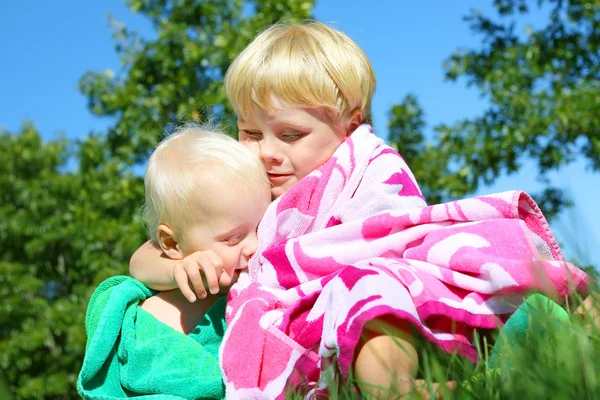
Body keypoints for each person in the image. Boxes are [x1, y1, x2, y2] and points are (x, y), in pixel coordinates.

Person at [130, 22, 590, 399]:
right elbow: (146, 258)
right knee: (127, 300)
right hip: (305, 321)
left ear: (350, 125)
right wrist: (182, 267)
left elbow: (395, 237)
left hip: (390, 304)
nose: (266, 152)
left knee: (368, 288)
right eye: (250, 132)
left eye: (289, 135)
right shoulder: (251, 181)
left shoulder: (366, 165)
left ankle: (397, 388)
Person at [78, 125, 271, 399]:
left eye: (262, 226)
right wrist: (176, 270)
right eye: (233, 238)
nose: (254, 246)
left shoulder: (253, 282)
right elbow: (141, 262)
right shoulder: (140, 315)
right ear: (171, 244)